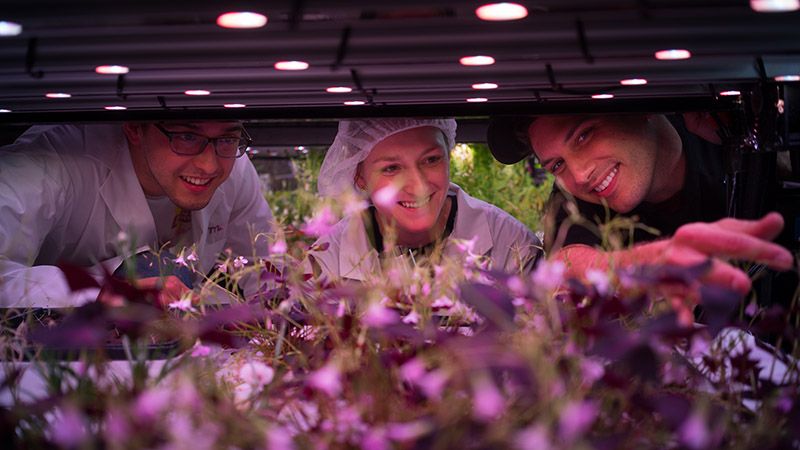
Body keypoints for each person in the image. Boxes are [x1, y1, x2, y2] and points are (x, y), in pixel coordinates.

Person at [487, 113, 793, 303]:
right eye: (557, 164)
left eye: (584, 135)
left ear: (642, 107)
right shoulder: (569, 198)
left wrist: (768, 147)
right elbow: (568, 264)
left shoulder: (716, 129)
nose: (579, 175)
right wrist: (648, 264)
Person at [0, 121, 273, 308]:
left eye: (227, 138)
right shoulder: (51, 161)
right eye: (186, 136)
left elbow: (267, 268)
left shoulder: (234, 168)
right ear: (133, 127)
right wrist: (100, 295)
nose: (209, 164)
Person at [308, 118, 542, 282]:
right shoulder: (327, 259)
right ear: (359, 176)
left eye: (431, 160)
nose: (418, 186)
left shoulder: (511, 244)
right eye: (391, 168)